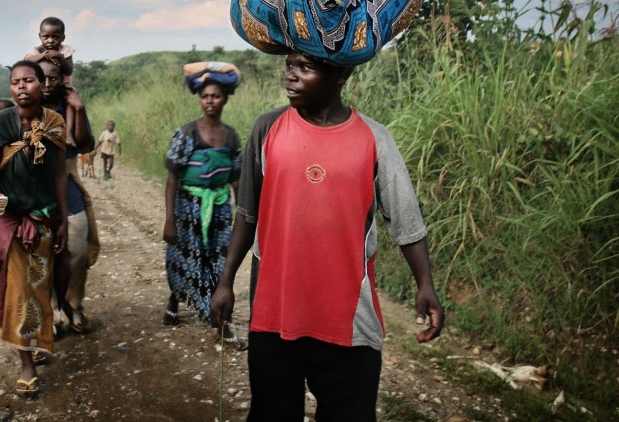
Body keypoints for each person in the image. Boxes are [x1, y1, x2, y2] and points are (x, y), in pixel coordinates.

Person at [210, 51, 445, 420]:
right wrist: (226, 282)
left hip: (349, 322)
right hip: (274, 314)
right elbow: (247, 214)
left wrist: (425, 284)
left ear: (341, 75)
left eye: (305, 67)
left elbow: (404, 219)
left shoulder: (374, 138)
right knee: (273, 412)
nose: (290, 76)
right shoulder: (267, 129)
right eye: (289, 65)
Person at [0, 61, 69, 398]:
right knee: (12, 293)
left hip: (44, 217)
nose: (22, 87)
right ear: (10, 89)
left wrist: (64, 220)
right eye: (16, 82)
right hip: (9, 221)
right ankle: (26, 362)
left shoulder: (55, 123)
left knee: (38, 288)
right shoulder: (1, 123)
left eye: (29, 80)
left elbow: (59, 175)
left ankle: (38, 340)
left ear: (43, 85)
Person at [162, 62, 245, 347]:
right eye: (205, 96)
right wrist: (170, 219)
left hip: (219, 208)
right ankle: (175, 300)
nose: (210, 101)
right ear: (200, 99)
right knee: (184, 259)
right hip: (188, 208)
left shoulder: (231, 136)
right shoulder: (186, 133)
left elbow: (235, 179)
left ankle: (219, 322)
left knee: (219, 263)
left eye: (216, 96)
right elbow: (173, 177)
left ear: (225, 99)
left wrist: (242, 215)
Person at [37, 59, 100, 334]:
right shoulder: (26, 107)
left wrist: (80, 107)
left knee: (76, 250)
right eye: (43, 78)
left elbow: (85, 144)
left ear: (63, 79)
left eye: (54, 78)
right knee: (40, 254)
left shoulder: (69, 106)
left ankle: (73, 305)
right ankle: (47, 313)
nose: (48, 83)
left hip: (68, 184)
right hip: (36, 191)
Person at [25, 16, 77, 147]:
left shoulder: (65, 51)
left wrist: (60, 57)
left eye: (56, 37)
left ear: (62, 38)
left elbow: (69, 70)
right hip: (42, 87)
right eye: (46, 37)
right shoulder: (37, 51)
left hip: (63, 86)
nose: (50, 41)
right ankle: (29, 131)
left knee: (71, 105)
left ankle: (69, 133)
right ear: (40, 36)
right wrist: (43, 55)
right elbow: (27, 62)